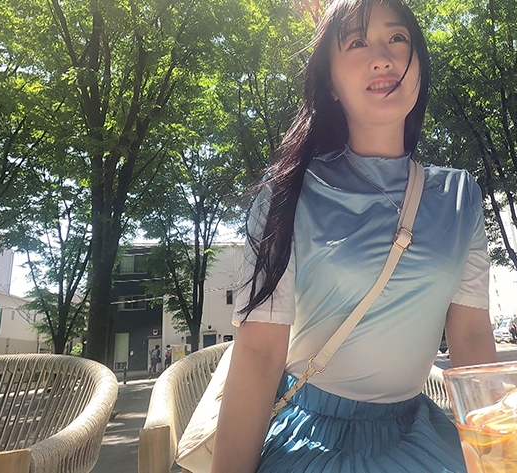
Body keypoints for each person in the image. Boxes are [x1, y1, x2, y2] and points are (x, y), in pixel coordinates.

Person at [211, 0, 496, 471]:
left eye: (397, 38)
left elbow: (471, 337)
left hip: (421, 436)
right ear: (330, 83)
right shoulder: (288, 196)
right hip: (314, 440)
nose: (382, 57)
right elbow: (259, 353)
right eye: (357, 43)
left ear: (419, 67)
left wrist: (498, 451)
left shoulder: (459, 197)